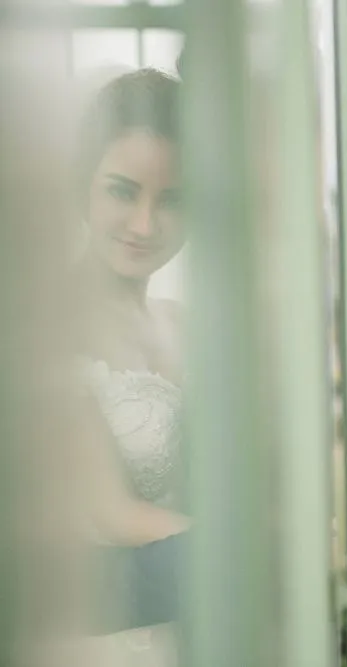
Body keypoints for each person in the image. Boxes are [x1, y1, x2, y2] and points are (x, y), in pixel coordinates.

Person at [70, 67, 189, 663]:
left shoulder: (182, 324)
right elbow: (109, 511)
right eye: (122, 191)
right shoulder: (47, 325)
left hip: (187, 620)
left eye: (170, 200)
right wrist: (259, 550)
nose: (144, 224)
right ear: (83, 187)